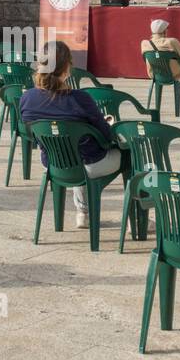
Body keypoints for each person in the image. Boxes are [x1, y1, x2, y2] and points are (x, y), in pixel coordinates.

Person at [19, 41, 122, 230]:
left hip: (52, 162)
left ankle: (84, 213)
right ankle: (137, 218)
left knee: (72, 148)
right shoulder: (80, 98)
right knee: (129, 155)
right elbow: (106, 136)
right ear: (67, 67)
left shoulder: (27, 98)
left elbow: (31, 134)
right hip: (89, 163)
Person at [139, 19, 180, 109]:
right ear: (164, 30)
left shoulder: (144, 43)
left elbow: (145, 59)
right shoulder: (171, 42)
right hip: (174, 74)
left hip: (155, 74)